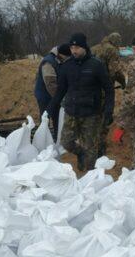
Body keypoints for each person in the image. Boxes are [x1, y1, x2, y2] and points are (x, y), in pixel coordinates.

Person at [48, 33, 115, 171]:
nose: (74, 50)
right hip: (71, 111)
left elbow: (109, 89)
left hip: (91, 113)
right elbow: (61, 90)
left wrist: (109, 110)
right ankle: (81, 154)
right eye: (72, 47)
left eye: (77, 47)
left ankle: (89, 178)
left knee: (90, 147)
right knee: (66, 142)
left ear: (84, 47)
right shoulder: (67, 66)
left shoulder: (96, 65)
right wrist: (51, 108)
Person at [91, 32, 126, 156]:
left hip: (89, 88)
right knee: (105, 116)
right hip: (104, 88)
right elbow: (115, 71)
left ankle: (89, 143)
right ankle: (100, 147)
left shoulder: (94, 48)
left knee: (92, 115)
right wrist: (123, 82)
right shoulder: (112, 51)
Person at [34, 44, 71, 140]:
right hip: (44, 96)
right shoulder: (48, 62)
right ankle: (42, 140)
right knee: (45, 117)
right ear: (62, 54)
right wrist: (59, 98)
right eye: (66, 57)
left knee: (57, 117)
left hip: (54, 96)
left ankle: (56, 139)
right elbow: (50, 84)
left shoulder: (59, 60)